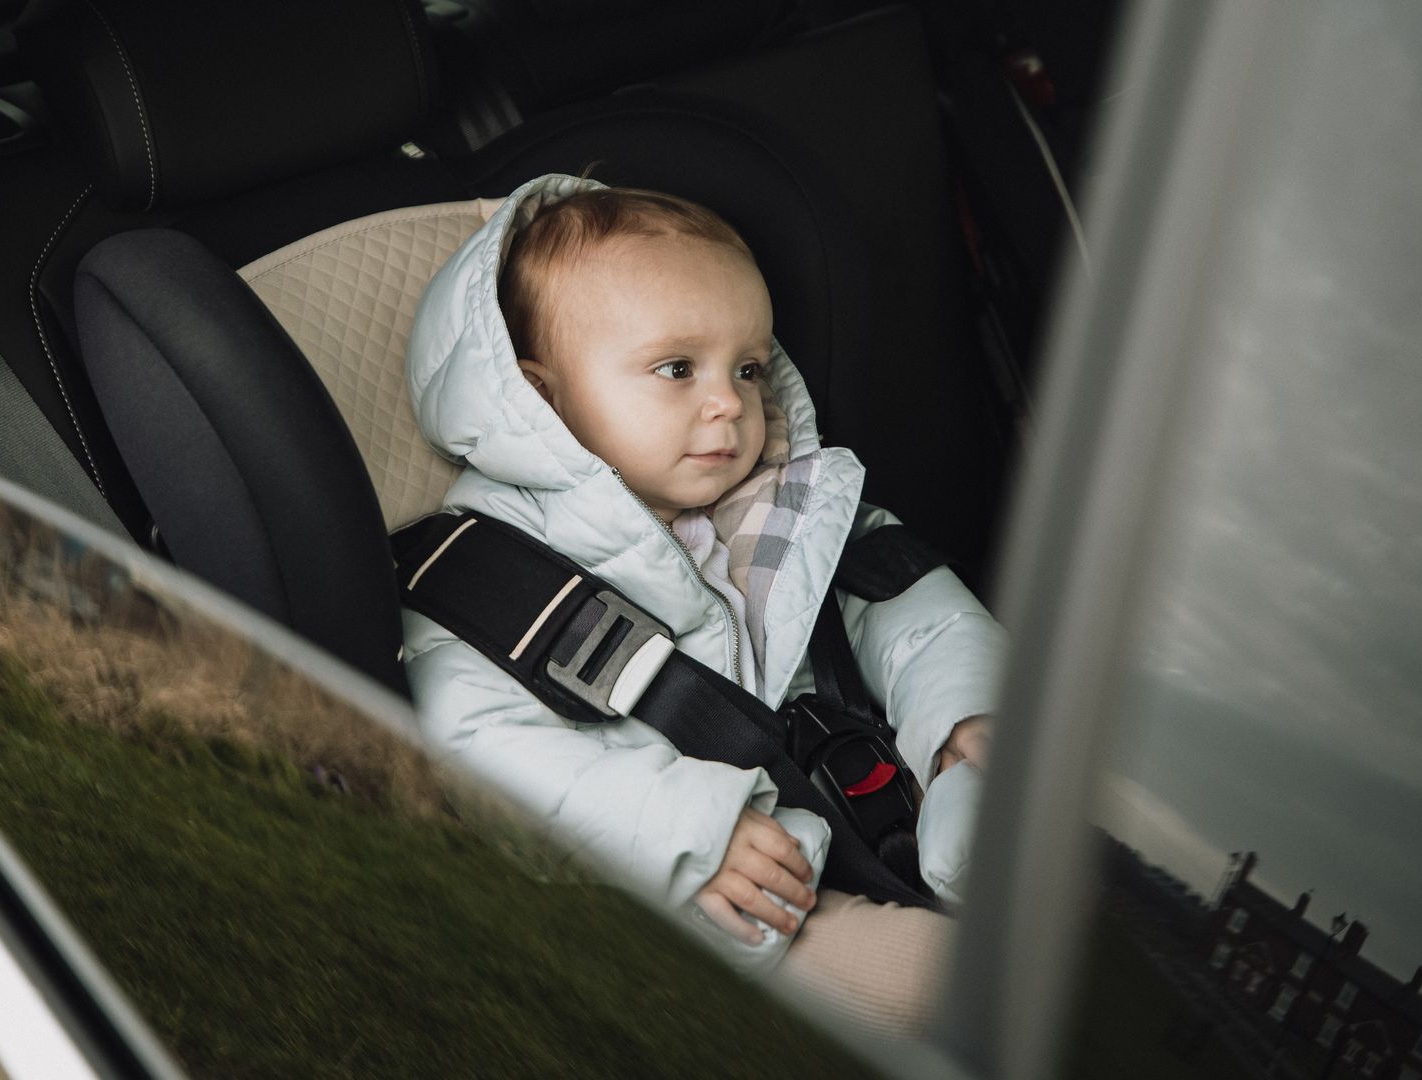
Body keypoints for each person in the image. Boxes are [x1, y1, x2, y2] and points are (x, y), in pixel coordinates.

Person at [402, 173, 1006, 1036]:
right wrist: (687, 833)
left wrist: (960, 717)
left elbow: (907, 604)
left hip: (859, 808)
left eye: (748, 368)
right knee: (957, 990)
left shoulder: (784, 505)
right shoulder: (491, 571)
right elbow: (479, 745)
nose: (730, 401)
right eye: (677, 368)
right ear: (543, 397)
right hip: (697, 898)